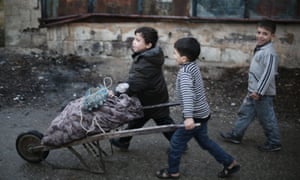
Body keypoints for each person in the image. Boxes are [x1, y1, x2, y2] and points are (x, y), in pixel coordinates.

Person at [156, 37, 240, 179]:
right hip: (202, 113)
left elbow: (189, 96)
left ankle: (172, 171)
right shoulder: (193, 66)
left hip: (194, 116)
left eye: (175, 53)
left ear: (184, 58)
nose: (173, 55)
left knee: (176, 143)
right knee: (205, 142)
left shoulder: (185, 73)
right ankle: (230, 163)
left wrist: (188, 117)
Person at [220, 20, 282, 152]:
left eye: (265, 34)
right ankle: (236, 135)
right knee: (245, 114)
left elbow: (268, 74)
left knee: (267, 119)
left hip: (262, 95)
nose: (260, 36)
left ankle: (274, 142)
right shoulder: (260, 48)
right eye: (259, 32)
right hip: (253, 92)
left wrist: (259, 92)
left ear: (272, 36)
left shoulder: (270, 53)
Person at [110, 26, 175, 150]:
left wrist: (116, 92)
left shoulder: (146, 62)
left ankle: (179, 144)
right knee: (138, 120)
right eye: (134, 39)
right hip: (151, 94)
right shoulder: (148, 56)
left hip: (152, 97)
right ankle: (123, 141)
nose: (134, 42)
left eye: (138, 40)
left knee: (162, 120)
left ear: (148, 45)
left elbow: (135, 83)